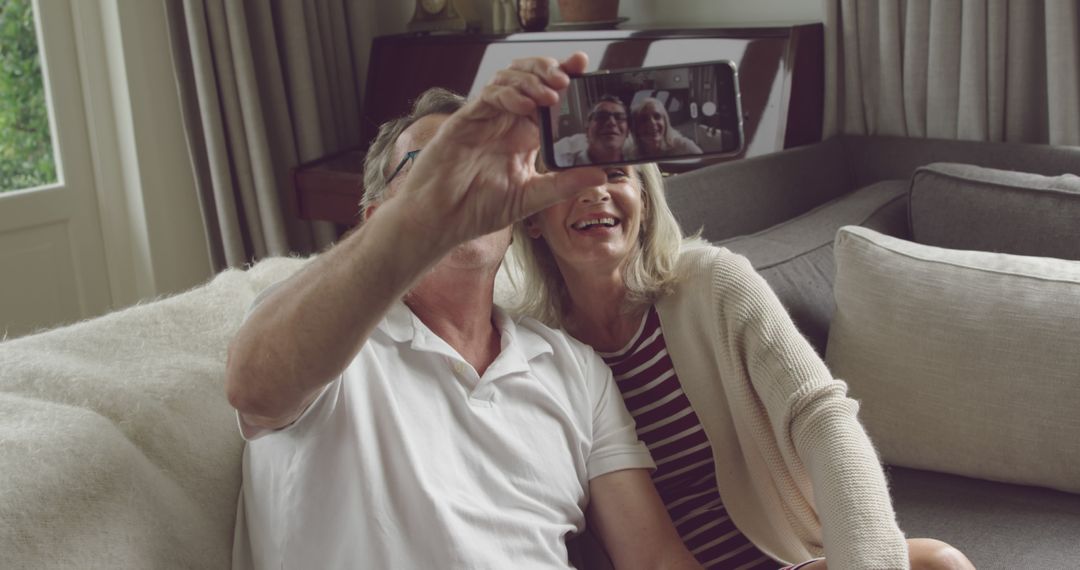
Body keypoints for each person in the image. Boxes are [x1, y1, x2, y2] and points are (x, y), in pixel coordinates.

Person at [225, 54, 704, 569]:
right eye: (433, 166)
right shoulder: (331, 340)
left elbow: (654, 560)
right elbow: (255, 386)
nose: (466, 182)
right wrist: (421, 222)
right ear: (377, 216)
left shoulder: (575, 369)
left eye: (482, 164)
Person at [511, 160, 978, 569]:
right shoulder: (532, 352)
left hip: (783, 559)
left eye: (617, 174)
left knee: (942, 564)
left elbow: (822, 417)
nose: (596, 191)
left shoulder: (713, 281)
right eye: (566, 178)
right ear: (532, 219)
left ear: (644, 202)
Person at [561, 95, 631, 166]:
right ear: (587, 127)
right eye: (601, 116)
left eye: (619, 117)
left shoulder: (636, 164)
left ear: (628, 131)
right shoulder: (562, 163)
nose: (612, 122)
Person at [628, 97, 702, 158]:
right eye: (644, 119)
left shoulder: (684, 146)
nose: (652, 123)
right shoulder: (632, 155)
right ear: (636, 128)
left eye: (657, 116)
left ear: (665, 122)